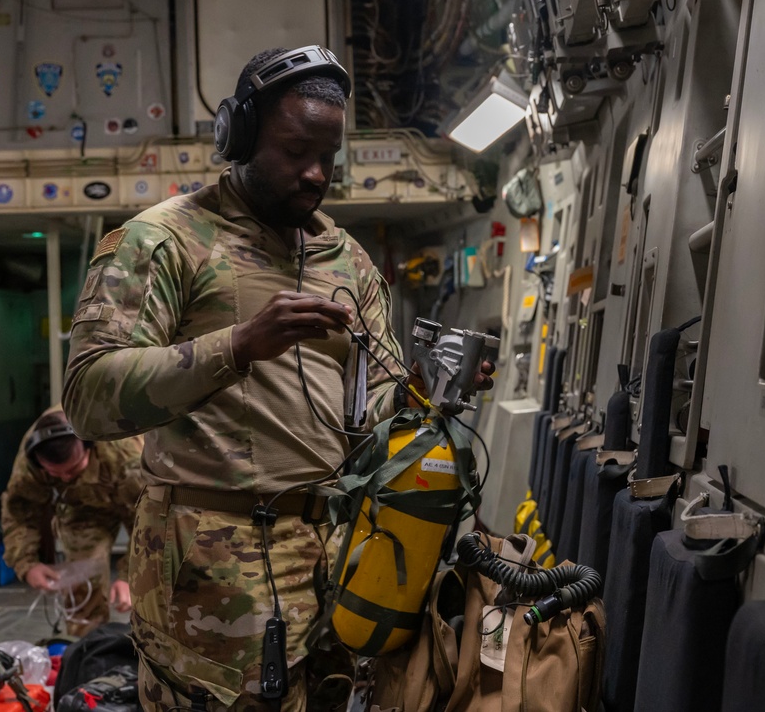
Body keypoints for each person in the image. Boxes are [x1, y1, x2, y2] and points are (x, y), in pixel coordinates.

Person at [63, 45, 494, 711]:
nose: (315, 173)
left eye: (329, 155)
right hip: (207, 568)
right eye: (295, 151)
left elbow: (369, 407)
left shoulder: (345, 260)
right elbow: (89, 396)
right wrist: (236, 345)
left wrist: (420, 389)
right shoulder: (163, 242)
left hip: (331, 553)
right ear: (236, 136)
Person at [0, 405, 144, 636]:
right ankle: (86, 652)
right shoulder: (31, 460)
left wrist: (130, 577)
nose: (66, 477)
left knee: (152, 581)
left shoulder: (126, 453)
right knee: (82, 583)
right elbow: (20, 509)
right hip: (81, 506)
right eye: (56, 474)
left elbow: (150, 520)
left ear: (89, 447)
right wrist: (27, 564)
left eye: (74, 468)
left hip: (136, 498)